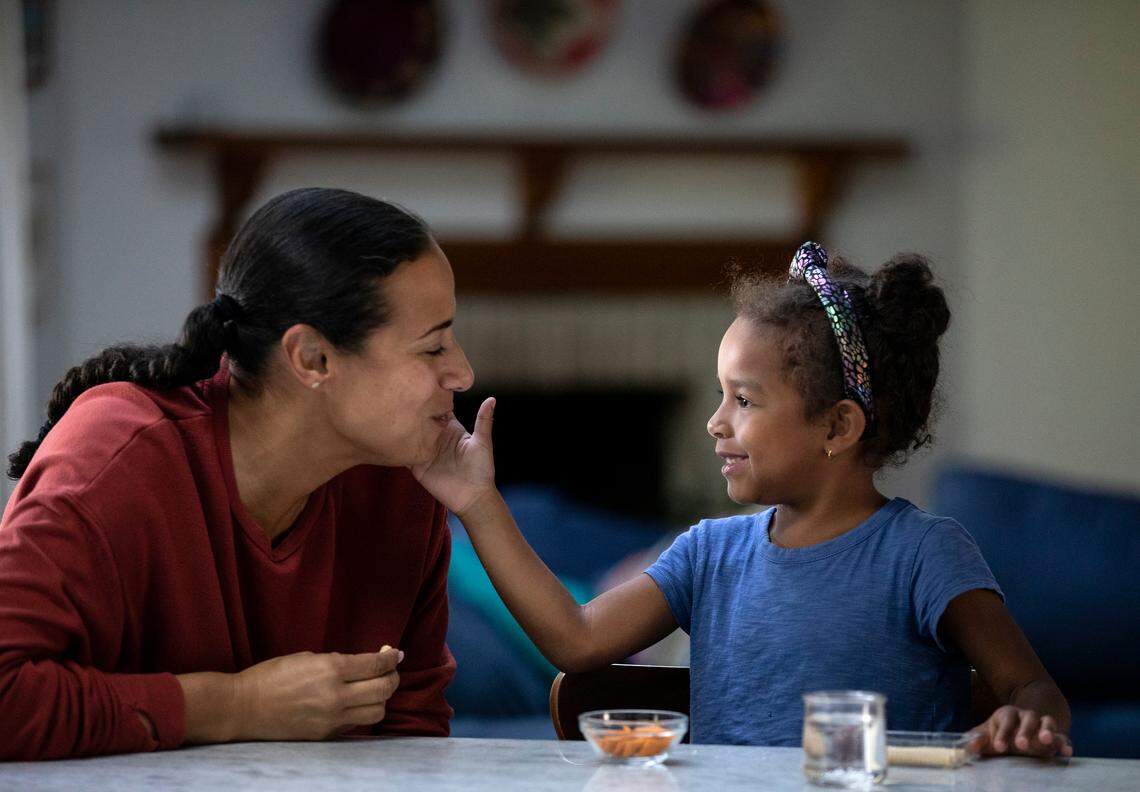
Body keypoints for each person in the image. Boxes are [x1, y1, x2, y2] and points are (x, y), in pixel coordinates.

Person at [422, 242, 1073, 757]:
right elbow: (577, 638)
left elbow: (1033, 688)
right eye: (717, 395)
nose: (716, 422)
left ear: (837, 427)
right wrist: (479, 502)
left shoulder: (925, 554)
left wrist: (1026, 718)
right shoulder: (709, 552)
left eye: (744, 399)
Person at [0, 188, 477, 759]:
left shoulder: (399, 480)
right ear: (313, 359)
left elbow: (413, 732)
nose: (463, 373)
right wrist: (237, 705)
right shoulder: (115, 460)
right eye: (433, 348)